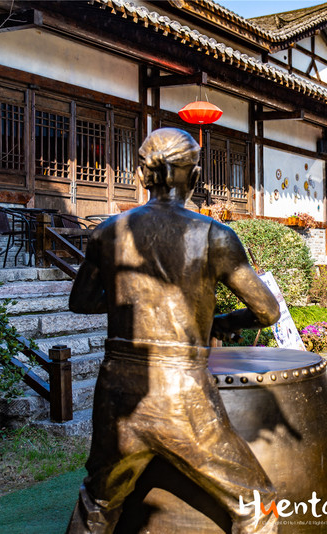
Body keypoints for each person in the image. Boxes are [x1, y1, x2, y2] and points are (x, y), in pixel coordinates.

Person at [65, 128, 280, 534]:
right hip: (182, 392)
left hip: (118, 391)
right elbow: (267, 311)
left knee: (98, 503)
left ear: (141, 175)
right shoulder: (215, 235)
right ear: (194, 176)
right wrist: (224, 322)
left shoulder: (107, 232)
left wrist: (131, 294)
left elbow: (82, 301)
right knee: (257, 504)